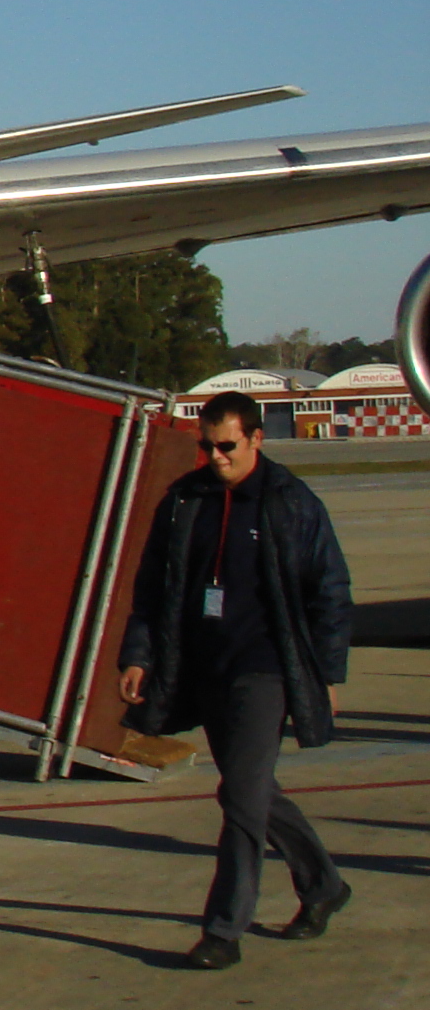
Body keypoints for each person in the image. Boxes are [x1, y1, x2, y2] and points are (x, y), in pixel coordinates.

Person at [115, 390, 353, 969]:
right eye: (208, 447)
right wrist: (139, 655)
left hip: (266, 669)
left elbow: (330, 590)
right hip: (204, 667)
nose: (216, 457)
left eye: (227, 446)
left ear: (256, 439)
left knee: (242, 799)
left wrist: (327, 672)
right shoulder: (184, 501)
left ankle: (223, 930)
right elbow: (151, 587)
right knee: (250, 790)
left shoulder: (291, 502)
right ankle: (323, 884)